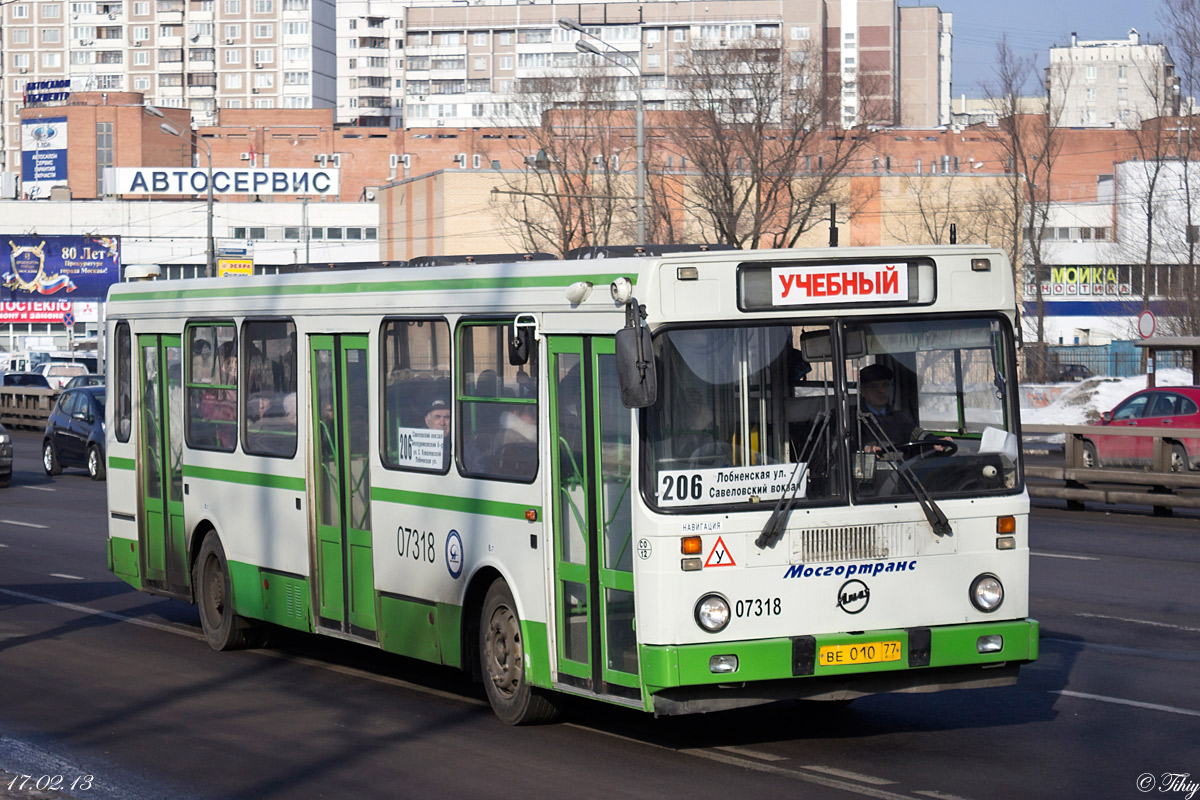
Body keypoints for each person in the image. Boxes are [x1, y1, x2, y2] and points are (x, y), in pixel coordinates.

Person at [856, 363, 950, 455]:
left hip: (901, 468)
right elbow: (849, 446)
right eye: (874, 386)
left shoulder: (898, 417)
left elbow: (917, 434)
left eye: (885, 385)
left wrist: (934, 441)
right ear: (863, 391)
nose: (881, 390)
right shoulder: (856, 419)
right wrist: (865, 450)